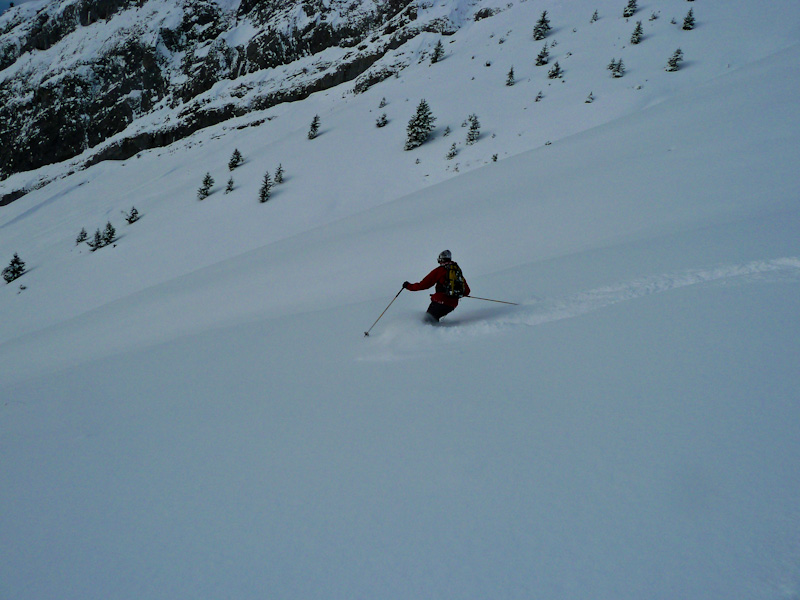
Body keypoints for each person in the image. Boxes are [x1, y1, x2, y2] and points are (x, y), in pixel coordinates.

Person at [403, 249, 471, 322]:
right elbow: (467, 291)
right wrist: (454, 292)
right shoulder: (457, 272)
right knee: (433, 321)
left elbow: (424, 284)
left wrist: (408, 286)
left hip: (439, 302)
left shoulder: (440, 270)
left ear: (441, 259)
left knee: (427, 323)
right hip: (452, 305)